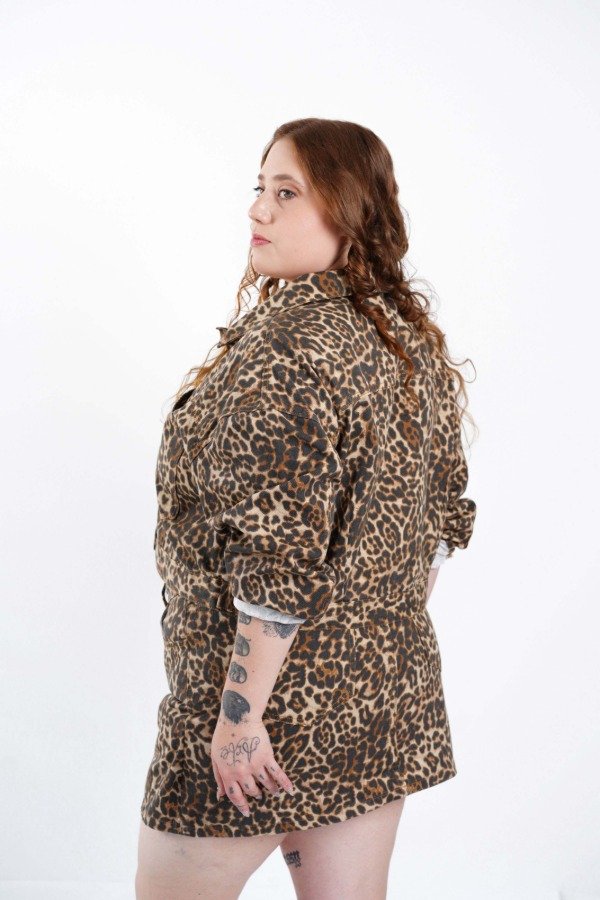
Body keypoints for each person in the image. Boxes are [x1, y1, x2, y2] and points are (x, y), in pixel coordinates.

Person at [135, 118, 477, 899]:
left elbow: (277, 559)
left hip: (260, 722)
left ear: (348, 210)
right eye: (260, 188)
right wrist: (359, 645)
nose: (257, 209)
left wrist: (238, 721)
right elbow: (434, 530)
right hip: (374, 699)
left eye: (286, 193)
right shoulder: (403, 340)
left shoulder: (288, 347)